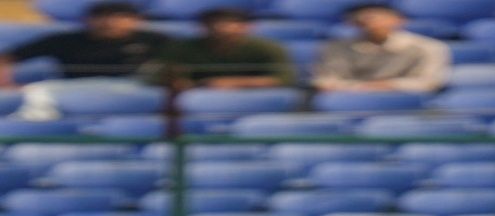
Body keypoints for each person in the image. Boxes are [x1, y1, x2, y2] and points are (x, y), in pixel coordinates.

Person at [0, 2, 168, 120]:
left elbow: (182, 62)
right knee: (34, 92)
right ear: (88, 20)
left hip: (134, 86)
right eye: (103, 17)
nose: (110, 23)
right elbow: (8, 57)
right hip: (75, 86)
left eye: (119, 17)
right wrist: (6, 81)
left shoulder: (155, 40)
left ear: (135, 20)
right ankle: (36, 133)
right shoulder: (66, 40)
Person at [143, 8, 295, 90]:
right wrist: (176, 81)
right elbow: (159, 74)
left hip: (254, 94)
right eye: (215, 24)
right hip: (196, 94)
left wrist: (230, 83)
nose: (223, 29)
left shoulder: (268, 47)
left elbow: (283, 80)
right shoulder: (181, 48)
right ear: (202, 27)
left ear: (247, 27)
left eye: (231, 23)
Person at [313, 4, 450, 93]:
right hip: (352, 99)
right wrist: (365, 88)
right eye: (361, 16)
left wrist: (390, 85)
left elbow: (431, 82)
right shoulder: (335, 48)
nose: (368, 20)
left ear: (399, 19)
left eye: (377, 15)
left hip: (405, 102)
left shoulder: (428, 47)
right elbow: (326, 82)